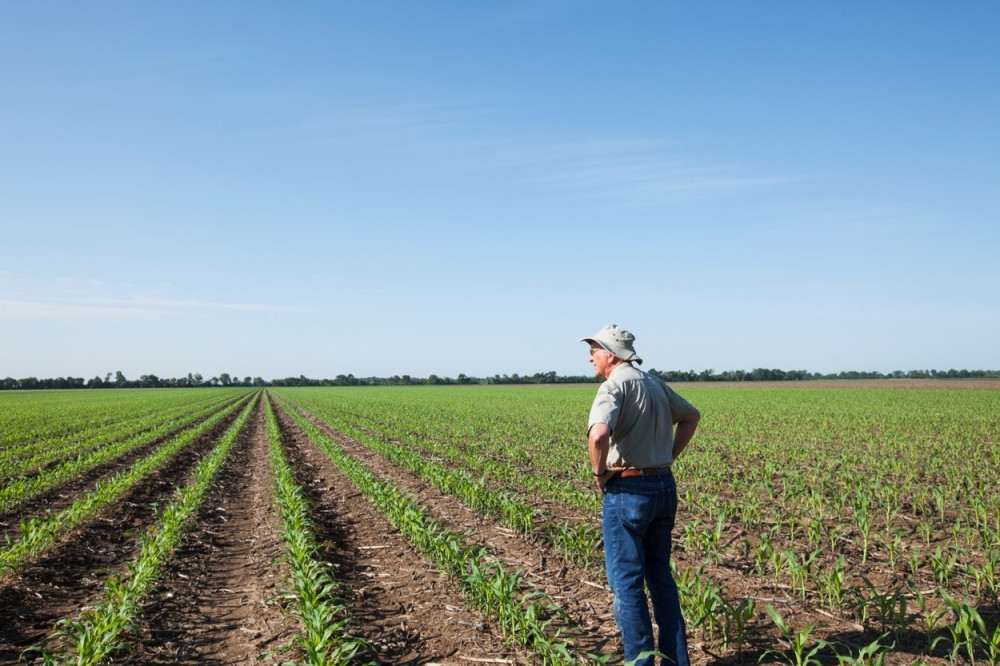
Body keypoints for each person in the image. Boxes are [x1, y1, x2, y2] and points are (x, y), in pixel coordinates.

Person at [581, 324, 700, 666]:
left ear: (612, 355)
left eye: (595, 349)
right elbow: (691, 416)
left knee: (628, 586)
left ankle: (640, 662)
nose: (590, 355)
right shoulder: (653, 382)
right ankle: (677, 661)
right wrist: (667, 457)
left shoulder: (614, 386)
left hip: (629, 491)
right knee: (660, 577)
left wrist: (600, 474)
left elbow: (599, 435)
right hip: (664, 487)